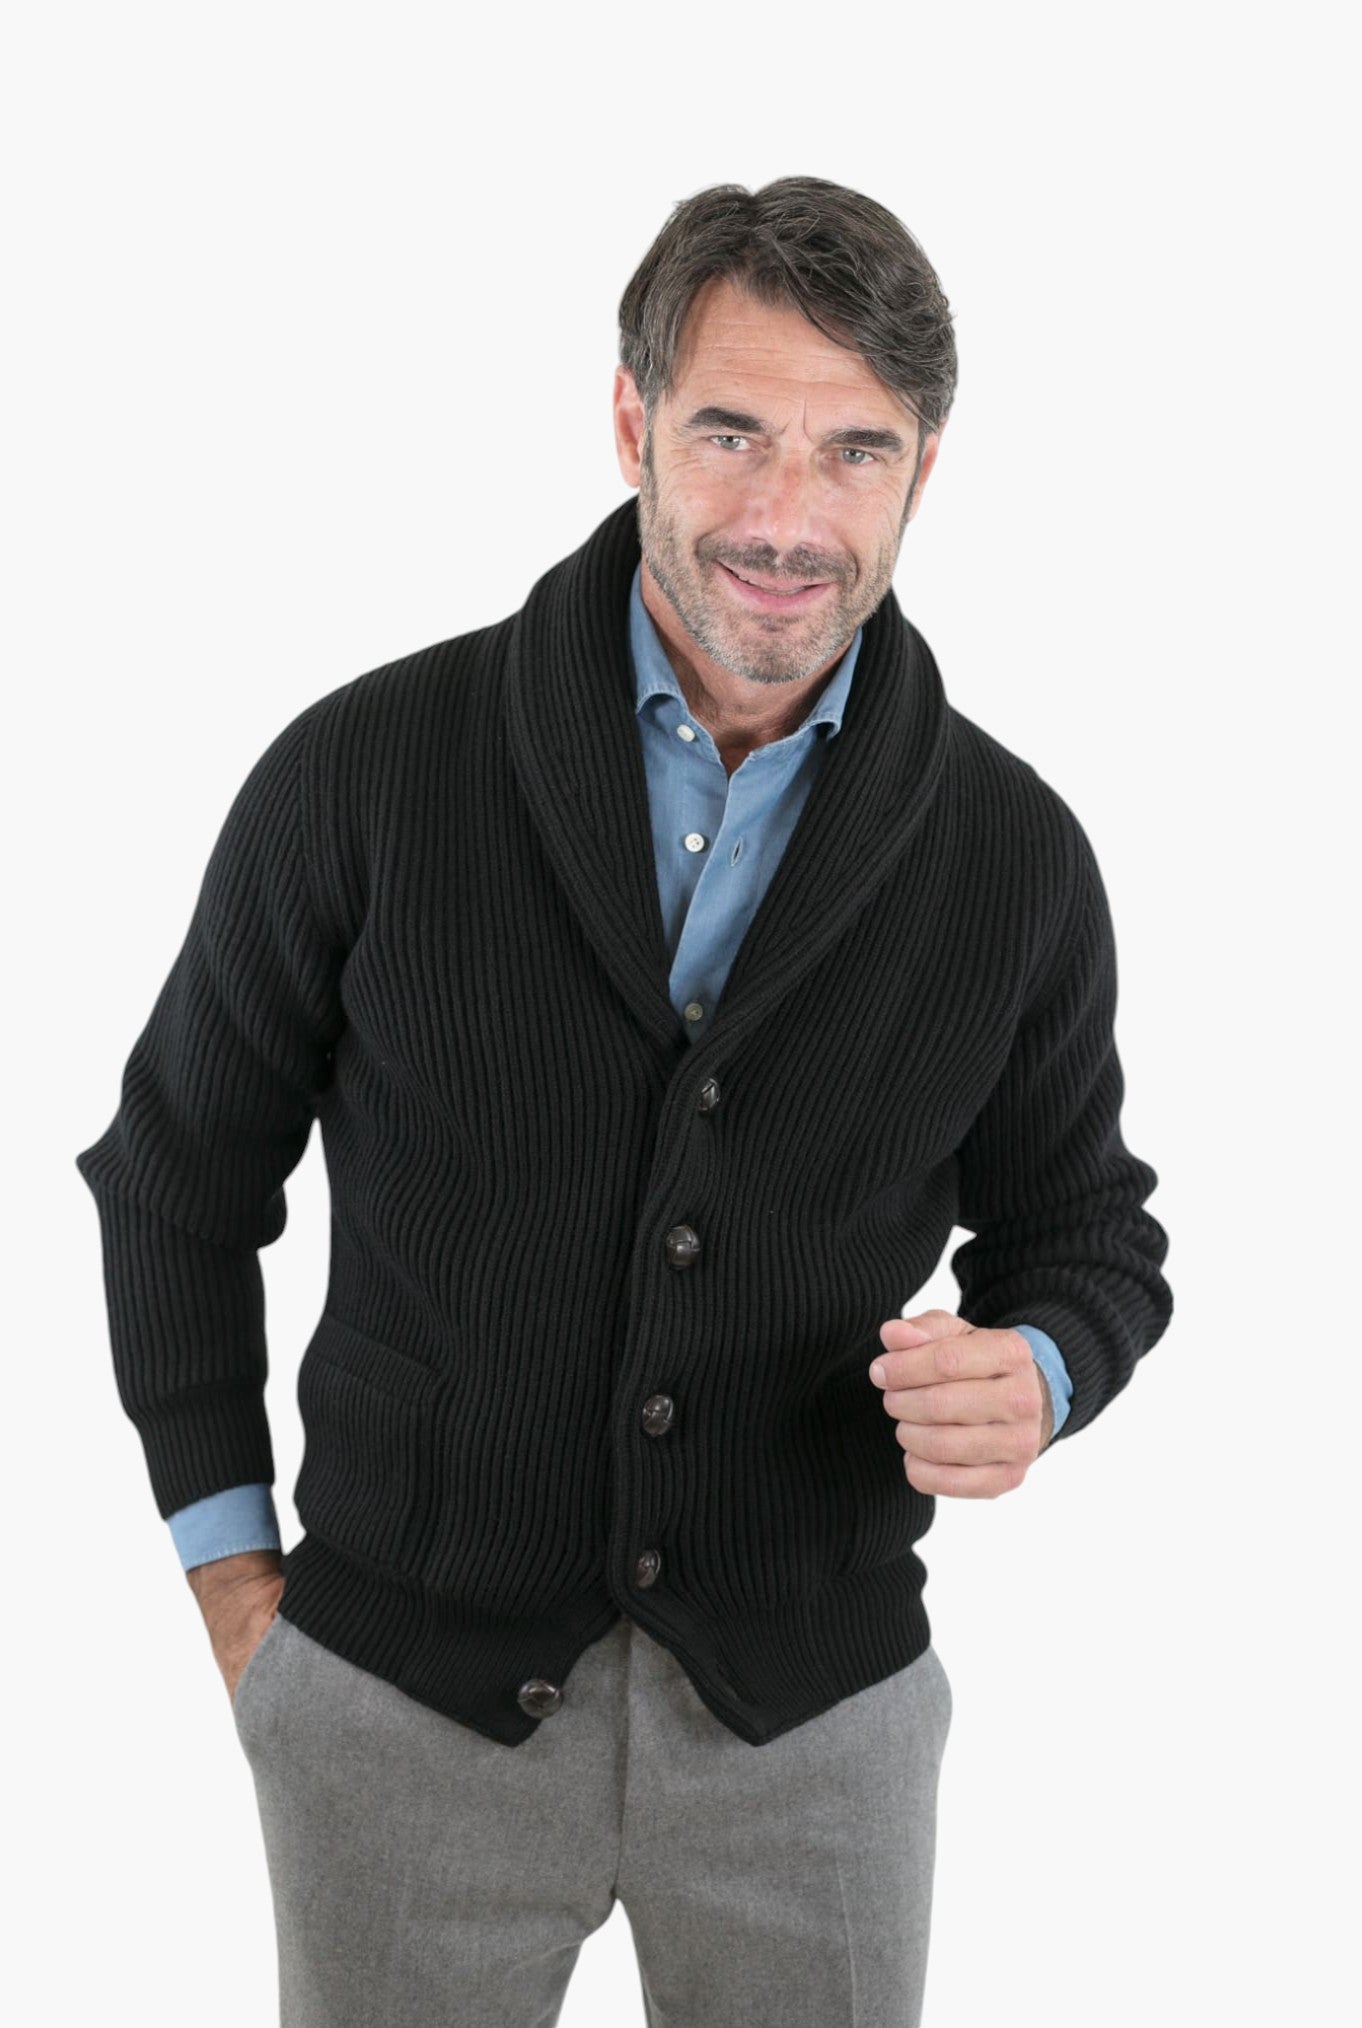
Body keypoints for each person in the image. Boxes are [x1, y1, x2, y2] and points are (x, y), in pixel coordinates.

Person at [75, 175, 1173, 2027]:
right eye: (730, 432)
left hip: (814, 1724)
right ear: (628, 421)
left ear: (923, 470)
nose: (785, 517)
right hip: (395, 1702)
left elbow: (1084, 1231)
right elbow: (174, 1181)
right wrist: (236, 1591)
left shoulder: (1014, 854)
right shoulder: (365, 771)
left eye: (853, 450)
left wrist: (1045, 1366)